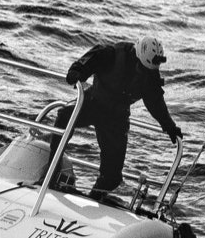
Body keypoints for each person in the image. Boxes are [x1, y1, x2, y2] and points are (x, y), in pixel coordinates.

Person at [64, 34, 182, 199]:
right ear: (137, 58)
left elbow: (155, 102)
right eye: (143, 68)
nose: (145, 73)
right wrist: (76, 71)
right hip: (94, 102)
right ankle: (52, 167)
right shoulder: (112, 54)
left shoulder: (150, 75)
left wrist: (169, 126)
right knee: (63, 117)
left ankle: (93, 199)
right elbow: (88, 60)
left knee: (112, 177)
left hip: (117, 118)